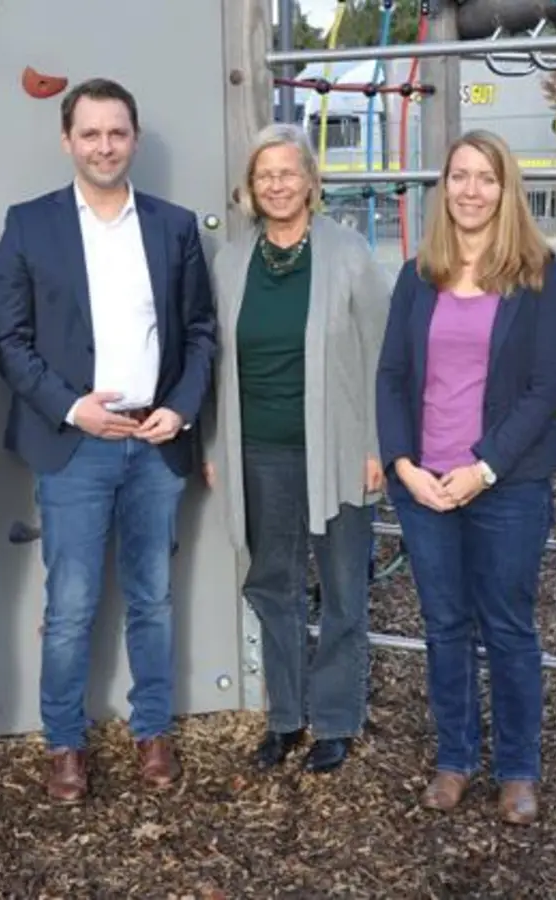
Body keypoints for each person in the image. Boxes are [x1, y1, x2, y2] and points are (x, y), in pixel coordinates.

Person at [0, 77, 216, 804]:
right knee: (73, 604)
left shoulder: (174, 227)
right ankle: (65, 746)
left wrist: (180, 409)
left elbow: (202, 332)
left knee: (151, 598)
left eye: (117, 132)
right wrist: (69, 408)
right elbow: (7, 339)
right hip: (75, 443)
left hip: (155, 440)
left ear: (134, 139)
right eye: (91, 133)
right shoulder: (30, 225)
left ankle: (152, 732)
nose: (105, 145)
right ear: (67, 141)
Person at [374, 129, 556, 825]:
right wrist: (403, 463)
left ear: (506, 187)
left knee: (509, 627)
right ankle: (455, 758)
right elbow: (393, 375)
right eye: (458, 176)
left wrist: (482, 468)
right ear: (444, 189)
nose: (470, 190)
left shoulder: (542, 274)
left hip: (507, 485)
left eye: (484, 177)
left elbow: (548, 387)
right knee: (444, 626)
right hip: (425, 485)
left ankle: (518, 769)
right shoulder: (417, 275)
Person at [202, 124, 390, 774]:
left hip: (337, 449)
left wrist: (375, 445)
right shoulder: (231, 261)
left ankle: (336, 719)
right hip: (257, 450)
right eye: (265, 175)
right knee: (272, 583)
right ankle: (286, 716)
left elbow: (380, 359)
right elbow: (216, 362)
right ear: (251, 188)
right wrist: (215, 447)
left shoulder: (350, 254)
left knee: (342, 588)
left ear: (311, 180)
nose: (277, 185)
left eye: (289, 172)